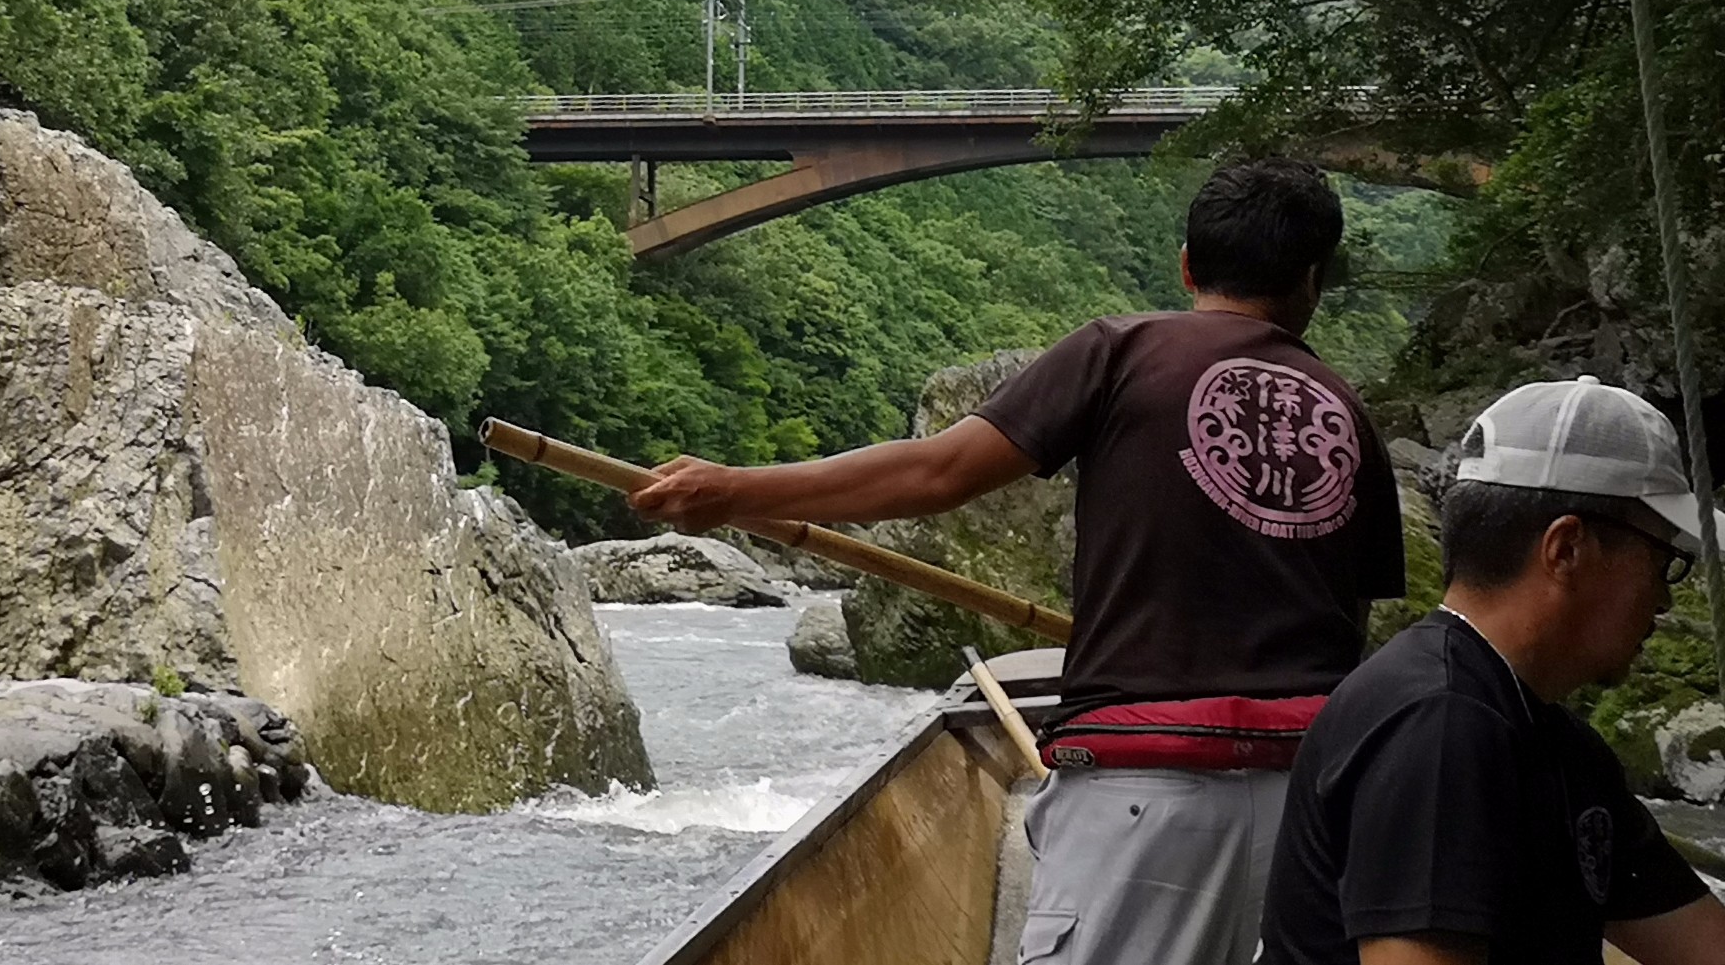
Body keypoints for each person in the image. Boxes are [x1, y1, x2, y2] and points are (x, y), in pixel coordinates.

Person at [632, 157, 1406, 964]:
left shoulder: (1121, 350)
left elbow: (938, 471)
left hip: (1141, 792)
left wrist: (737, 491)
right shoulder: (1350, 414)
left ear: (1186, 263)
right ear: (1315, 281)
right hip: (1314, 806)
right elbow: (1345, 636)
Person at [1260, 376, 1725, 964]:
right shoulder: (1439, 725)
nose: (1665, 599)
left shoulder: (1559, 746)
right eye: (1665, 562)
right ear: (1566, 550)